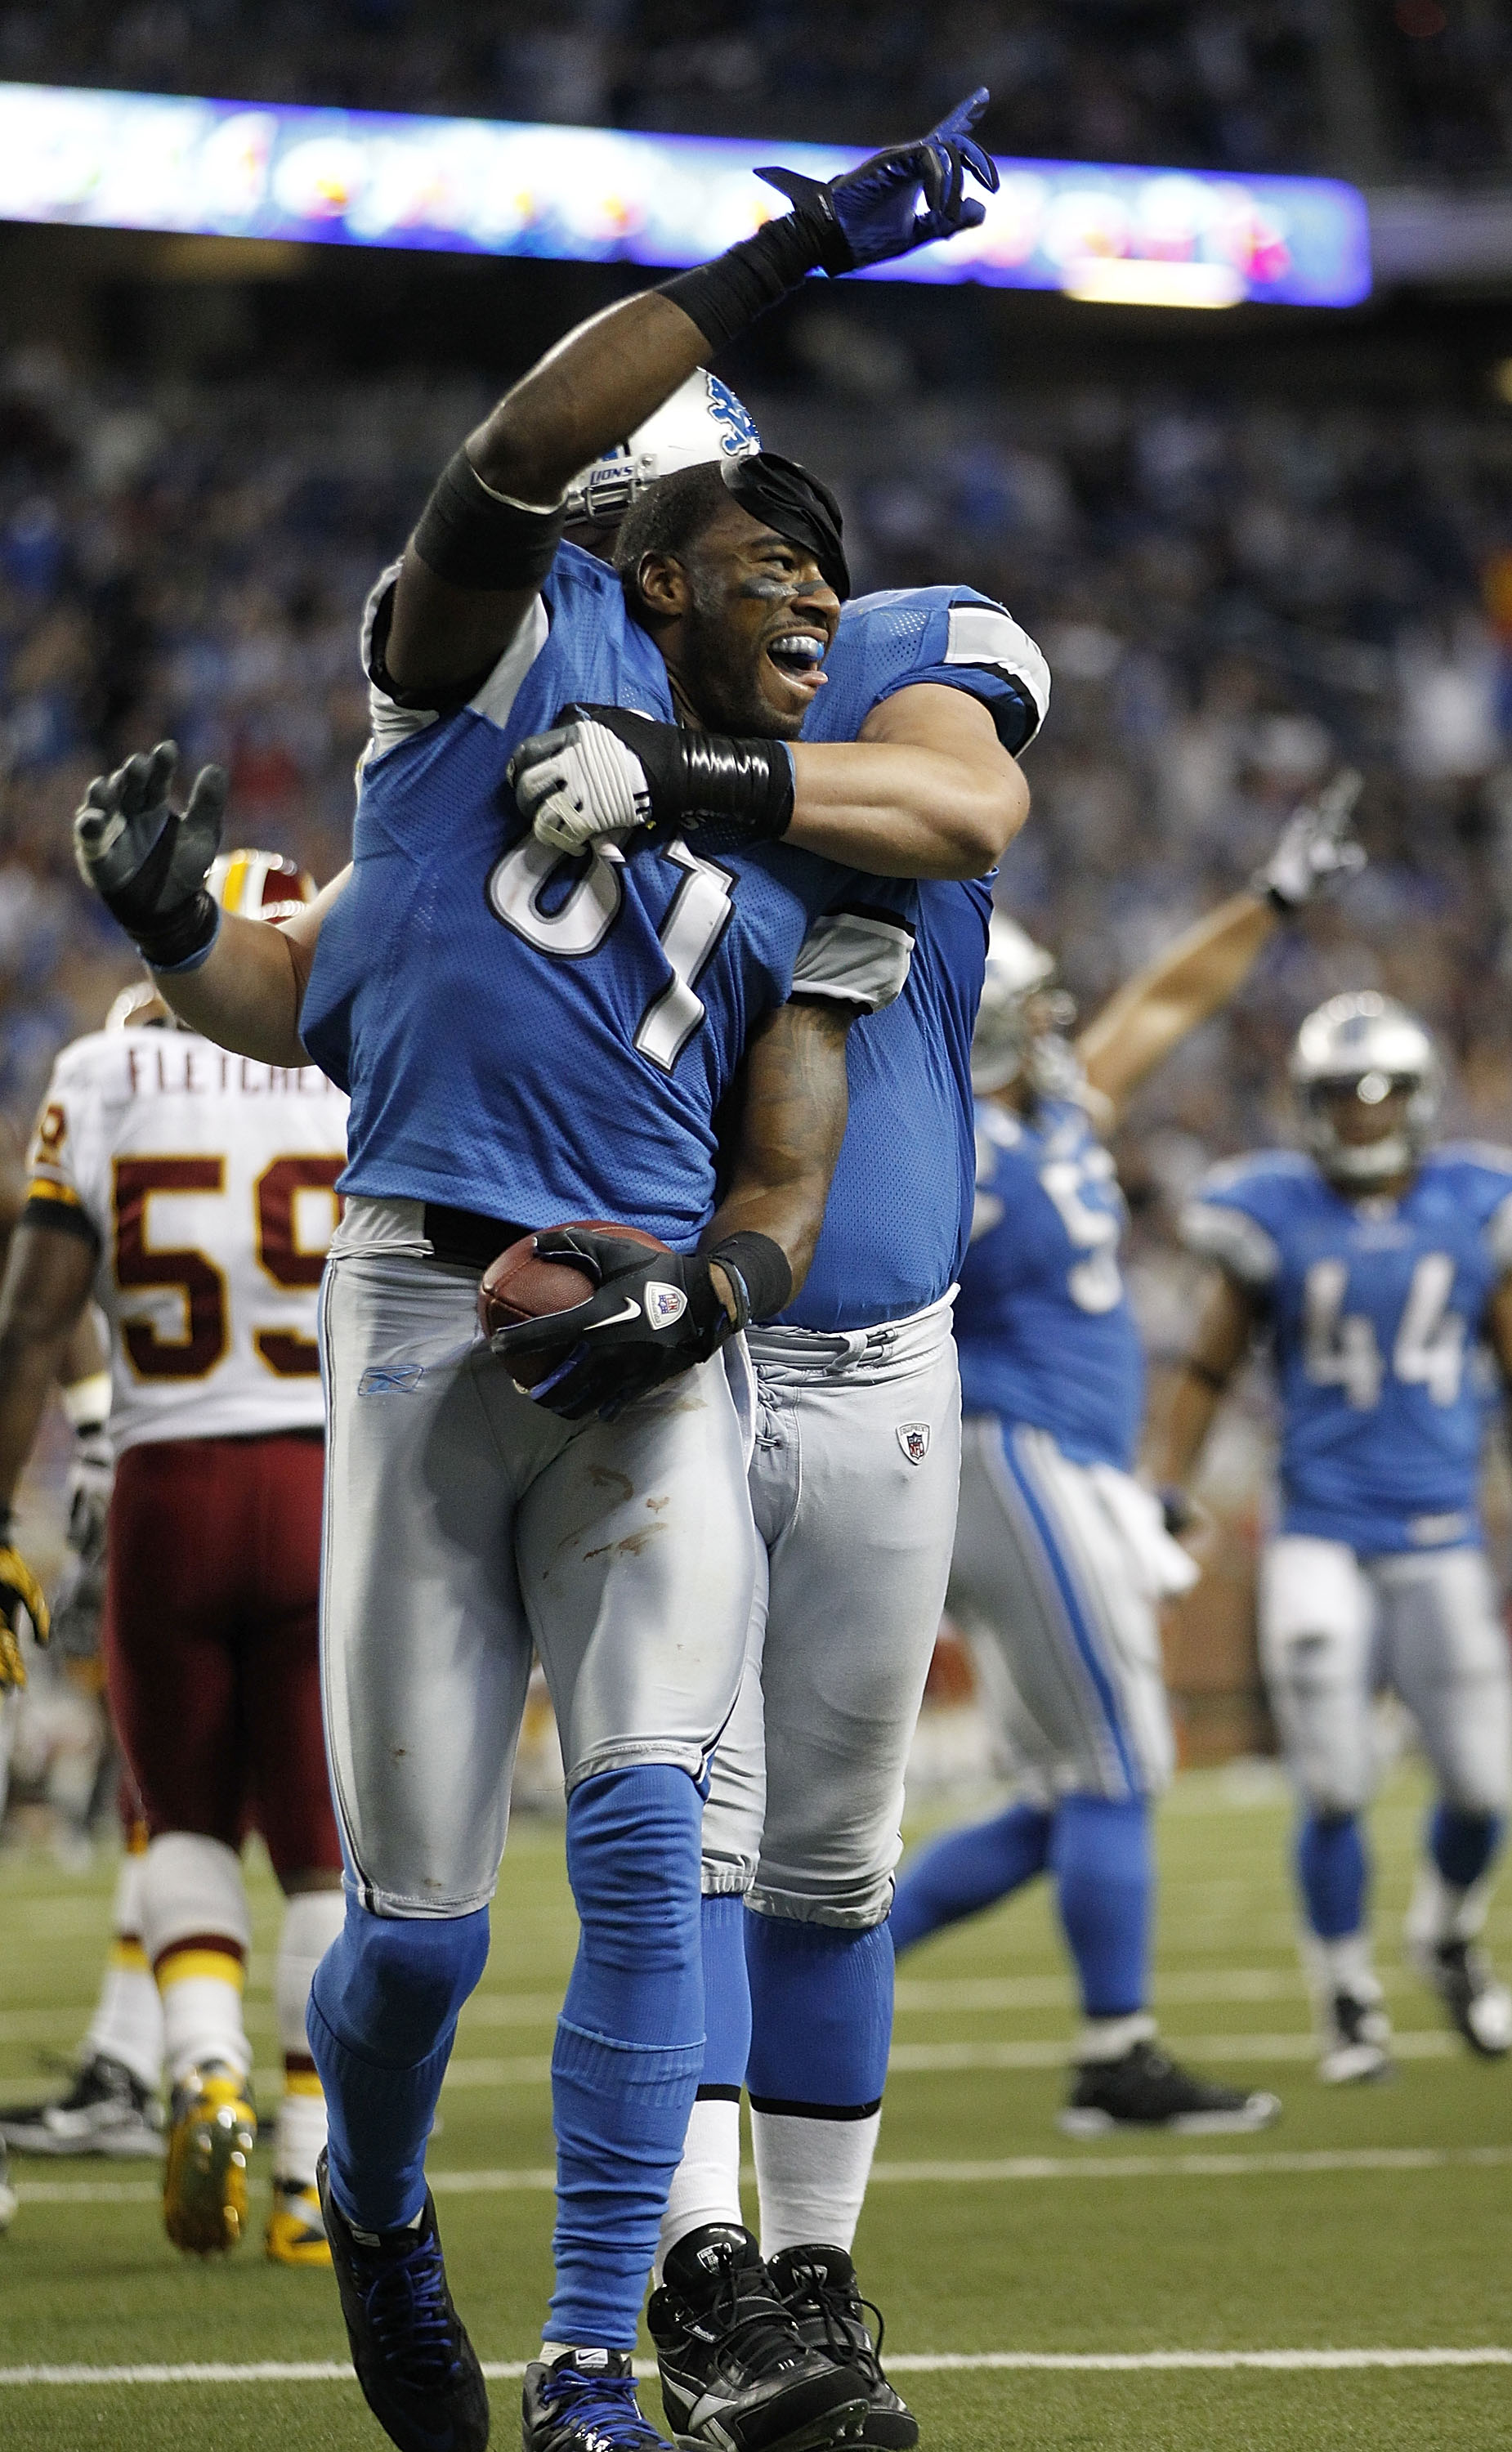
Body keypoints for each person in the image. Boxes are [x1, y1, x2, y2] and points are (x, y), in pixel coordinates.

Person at [69, 94, 1022, 2452]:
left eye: (827, 563)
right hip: (409, 1318)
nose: (816, 597)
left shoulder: (811, 814)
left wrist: (712, 1293)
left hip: (642, 1346)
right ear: (644, 554)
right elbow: (502, 477)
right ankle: (381, 2218)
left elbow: (792, 1130)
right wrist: (795, 248)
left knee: (638, 1834)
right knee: (411, 1937)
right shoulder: (477, 670)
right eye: (762, 553)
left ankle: (599, 2363)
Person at [889, 778, 1365, 2132]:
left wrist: (1269, 903)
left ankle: (807, 1969)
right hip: (1010, 1451)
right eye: (1031, 1013)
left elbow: (1165, 1001)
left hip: (1061, 1461)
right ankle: (1115, 2053)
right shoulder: (948, 1146)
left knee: (1062, 1797)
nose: (1058, 1032)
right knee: (1115, 1769)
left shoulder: (1046, 1112)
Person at [0, 850, 349, 2266]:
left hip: (163, 1485)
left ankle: (199, 2065)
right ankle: (317, 2182)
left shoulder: (103, 1072)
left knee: (182, 1818)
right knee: (329, 1859)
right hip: (332, 1485)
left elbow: (33, 1322)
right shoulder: (361, 1072)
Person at [1151, 990, 1512, 2082]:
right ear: (1309, 1106)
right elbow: (1209, 1364)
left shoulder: (1472, 1201)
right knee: (1335, 1778)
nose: (1359, 1117)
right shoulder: (1272, 1212)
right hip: (1315, 1523)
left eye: (1379, 1095)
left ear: (1414, 1099)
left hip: (1440, 1526)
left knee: (1482, 1788)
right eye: (1339, 1098)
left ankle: (1445, 1933)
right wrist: (1165, 1477)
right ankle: (1346, 1995)